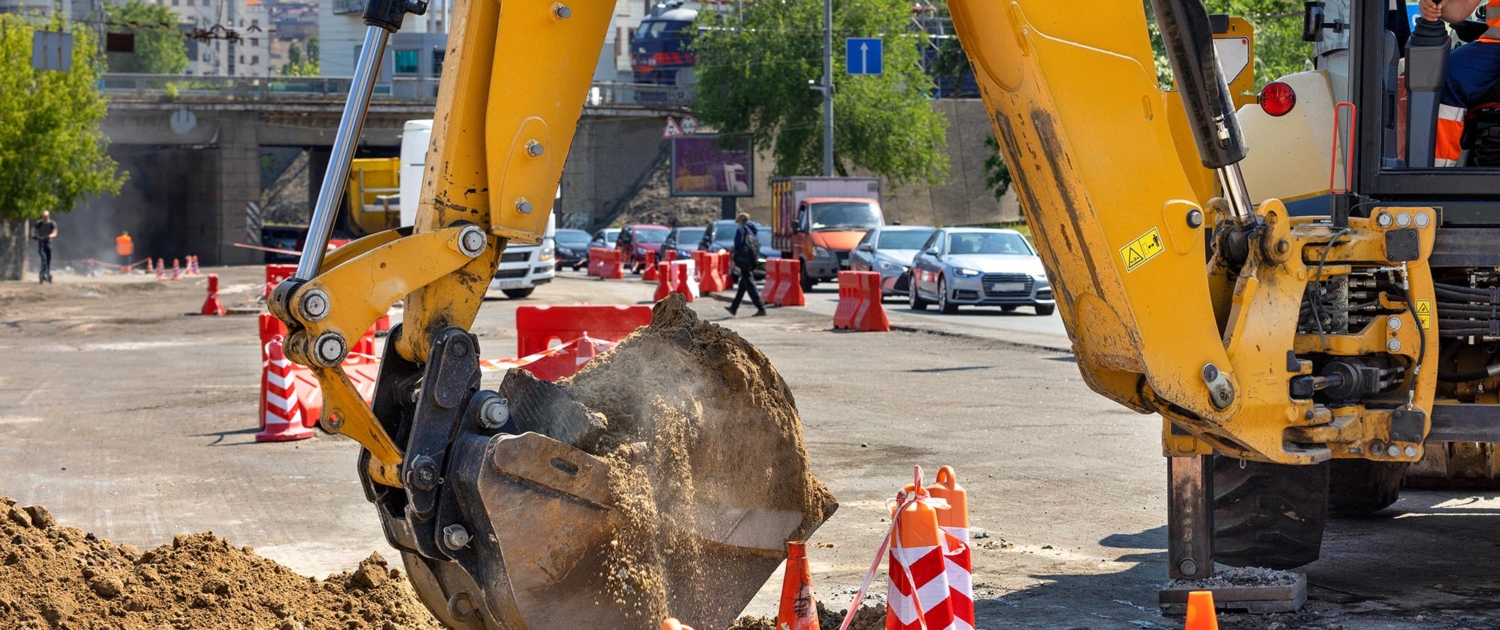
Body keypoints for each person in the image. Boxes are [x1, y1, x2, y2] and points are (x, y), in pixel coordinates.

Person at [1423, 0, 1500, 166]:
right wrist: (1436, 7)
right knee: (1446, 73)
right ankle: (1436, 172)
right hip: (1495, 45)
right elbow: (1459, 9)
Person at [725, 213, 765, 317]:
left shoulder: (741, 230)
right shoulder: (753, 230)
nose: (738, 224)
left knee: (750, 285)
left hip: (744, 260)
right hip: (752, 259)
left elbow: (738, 244)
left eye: (738, 222)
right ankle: (733, 308)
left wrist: (734, 253)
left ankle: (761, 308)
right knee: (743, 285)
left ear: (741, 221)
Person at [33, 211, 57, 284]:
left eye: (46, 216)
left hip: (48, 242)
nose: (45, 218)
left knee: (48, 258)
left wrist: (49, 236)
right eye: (43, 217)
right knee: (43, 257)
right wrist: (34, 236)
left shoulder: (52, 224)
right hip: (41, 242)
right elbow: (33, 230)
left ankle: (48, 272)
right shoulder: (39, 223)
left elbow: (55, 232)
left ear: (49, 216)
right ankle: (43, 272)